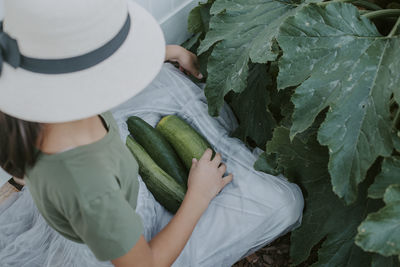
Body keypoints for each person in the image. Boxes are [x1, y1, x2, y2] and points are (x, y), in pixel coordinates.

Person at [0, 0, 304, 266]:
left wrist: (167, 52)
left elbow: (104, 75)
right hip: (127, 248)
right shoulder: (90, 189)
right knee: (283, 204)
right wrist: (197, 196)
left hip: (108, 202)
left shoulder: (34, 111)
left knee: (158, 80)